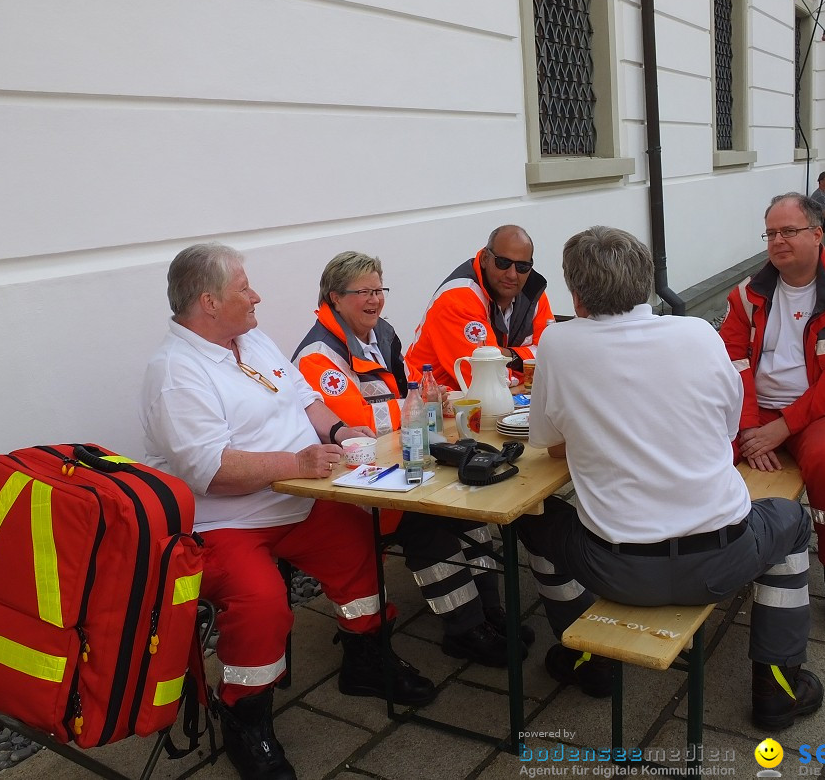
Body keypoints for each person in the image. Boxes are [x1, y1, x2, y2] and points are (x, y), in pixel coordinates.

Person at [139, 243, 436, 780]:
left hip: (299, 499)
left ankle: (366, 662)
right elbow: (211, 470)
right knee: (262, 604)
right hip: (224, 523)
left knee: (360, 547)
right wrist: (298, 462)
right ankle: (244, 716)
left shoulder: (248, 340)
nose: (257, 297)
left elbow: (304, 399)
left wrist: (342, 432)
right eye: (244, 289)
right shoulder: (175, 372)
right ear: (208, 302)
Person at [515, 225, 822, 730]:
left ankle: (589, 662)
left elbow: (548, 442)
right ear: (647, 284)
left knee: (536, 520)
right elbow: (724, 428)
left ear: (575, 292)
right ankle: (778, 685)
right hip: (724, 559)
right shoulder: (697, 332)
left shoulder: (558, 343)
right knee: (789, 520)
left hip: (616, 567)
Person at [292, 251, 535, 667]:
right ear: (334, 297)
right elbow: (357, 421)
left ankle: (487, 610)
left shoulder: (380, 333)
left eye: (378, 290)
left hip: (396, 459)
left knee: (468, 508)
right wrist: (415, 404)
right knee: (428, 524)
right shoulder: (319, 355)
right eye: (363, 292)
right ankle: (464, 629)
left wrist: (422, 399)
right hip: (351, 482)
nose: (375, 300)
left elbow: (406, 390)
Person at [719, 193, 825, 646]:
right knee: (701, 448)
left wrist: (781, 428)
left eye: (788, 231)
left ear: (818, 234)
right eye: (771, 233)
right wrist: (753, 427)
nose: (777, 241)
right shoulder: (746, 295)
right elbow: (732, 363)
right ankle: (706, 554)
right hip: (758, 413)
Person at [405, 225, 555, 390]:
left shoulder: (533, 293)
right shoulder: (457, 299)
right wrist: (527, 364)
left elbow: (553, 358)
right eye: (503, 263)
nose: (512, 274)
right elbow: (487, 381)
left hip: (490, 401)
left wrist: (509, 355)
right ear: (484, 258)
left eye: (522, 267)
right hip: (432, 404)